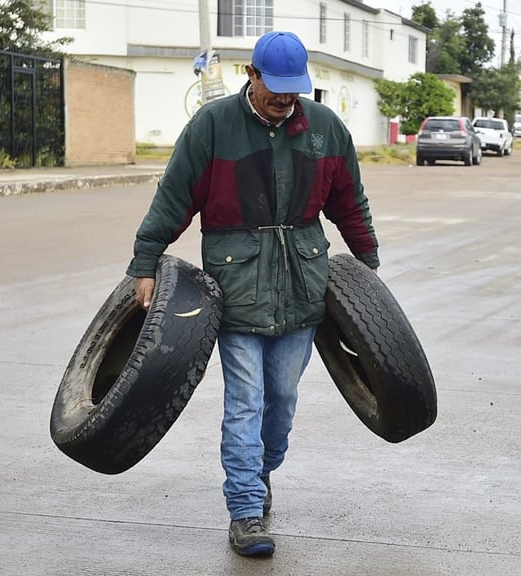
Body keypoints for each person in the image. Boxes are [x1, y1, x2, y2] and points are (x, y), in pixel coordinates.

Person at [126, 30, 379, 558]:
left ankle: (260, 476)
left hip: (304, 283)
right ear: (251, 75)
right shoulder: (213, 126)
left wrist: (367, 271)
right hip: (236, 282)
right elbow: (173, 198)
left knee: (281, 403)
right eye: (275, 89)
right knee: (245, 401)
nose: (285, 100)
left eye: (295, 90)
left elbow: (350, 202)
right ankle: (244, 511)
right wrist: (145, 262)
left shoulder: (325, 128)